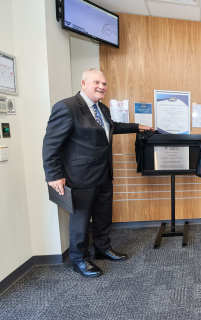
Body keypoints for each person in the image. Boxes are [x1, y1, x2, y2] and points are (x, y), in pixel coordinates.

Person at [42, 68, 152, 278]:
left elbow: (111, 127)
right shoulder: (67, 107)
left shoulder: (102, 108)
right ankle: (79, 259)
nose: (102, 86)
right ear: (83, 83)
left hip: (103, 174)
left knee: (103, 216)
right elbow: (50, 145)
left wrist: (137, 127)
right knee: (80, 220)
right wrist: (53, 175)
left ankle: (102, 248)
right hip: (79, 177)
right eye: (96, 82)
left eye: (104, 83)